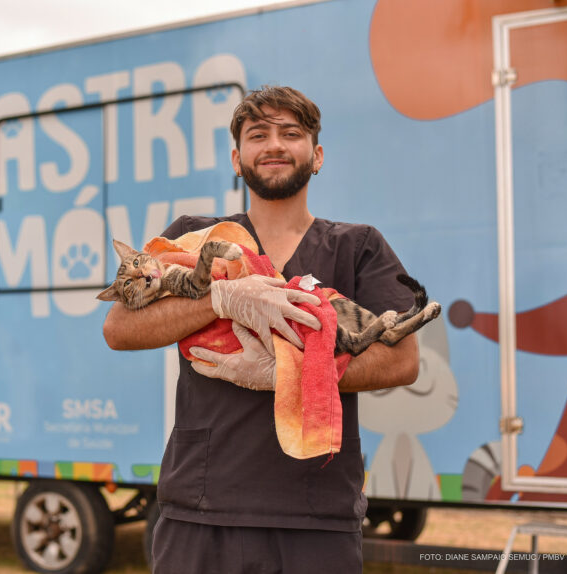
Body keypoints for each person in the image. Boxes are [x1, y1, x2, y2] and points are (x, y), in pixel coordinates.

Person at [102, 86, 420, 573]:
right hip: (200, 512)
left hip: (316, 518)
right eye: (258, 135)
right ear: (237, 158)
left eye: (291, 134)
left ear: (316, 156)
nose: (274, 145)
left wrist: (288, 371)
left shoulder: (359, 247)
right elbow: (120, 327)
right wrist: (219, 298)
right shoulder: (196, 235)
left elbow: (402, 361)